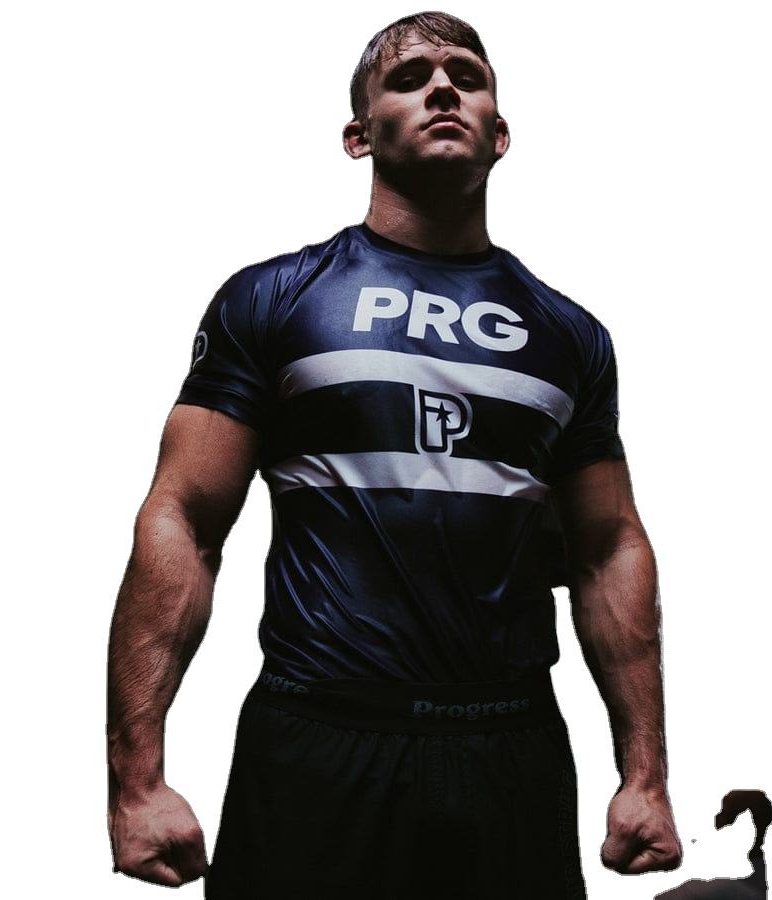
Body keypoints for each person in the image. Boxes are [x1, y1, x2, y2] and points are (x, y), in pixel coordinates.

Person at [106, 11, 682, 898]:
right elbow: (184, 518)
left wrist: (645, 776)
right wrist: (136, 779)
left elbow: (609, 549)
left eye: (466, 77)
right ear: (359, 136)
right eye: (409, 79)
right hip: (318, 743)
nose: (442, 87)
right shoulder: (276, 299)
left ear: (499, 133)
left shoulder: (569, 336)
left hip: (509, 750)